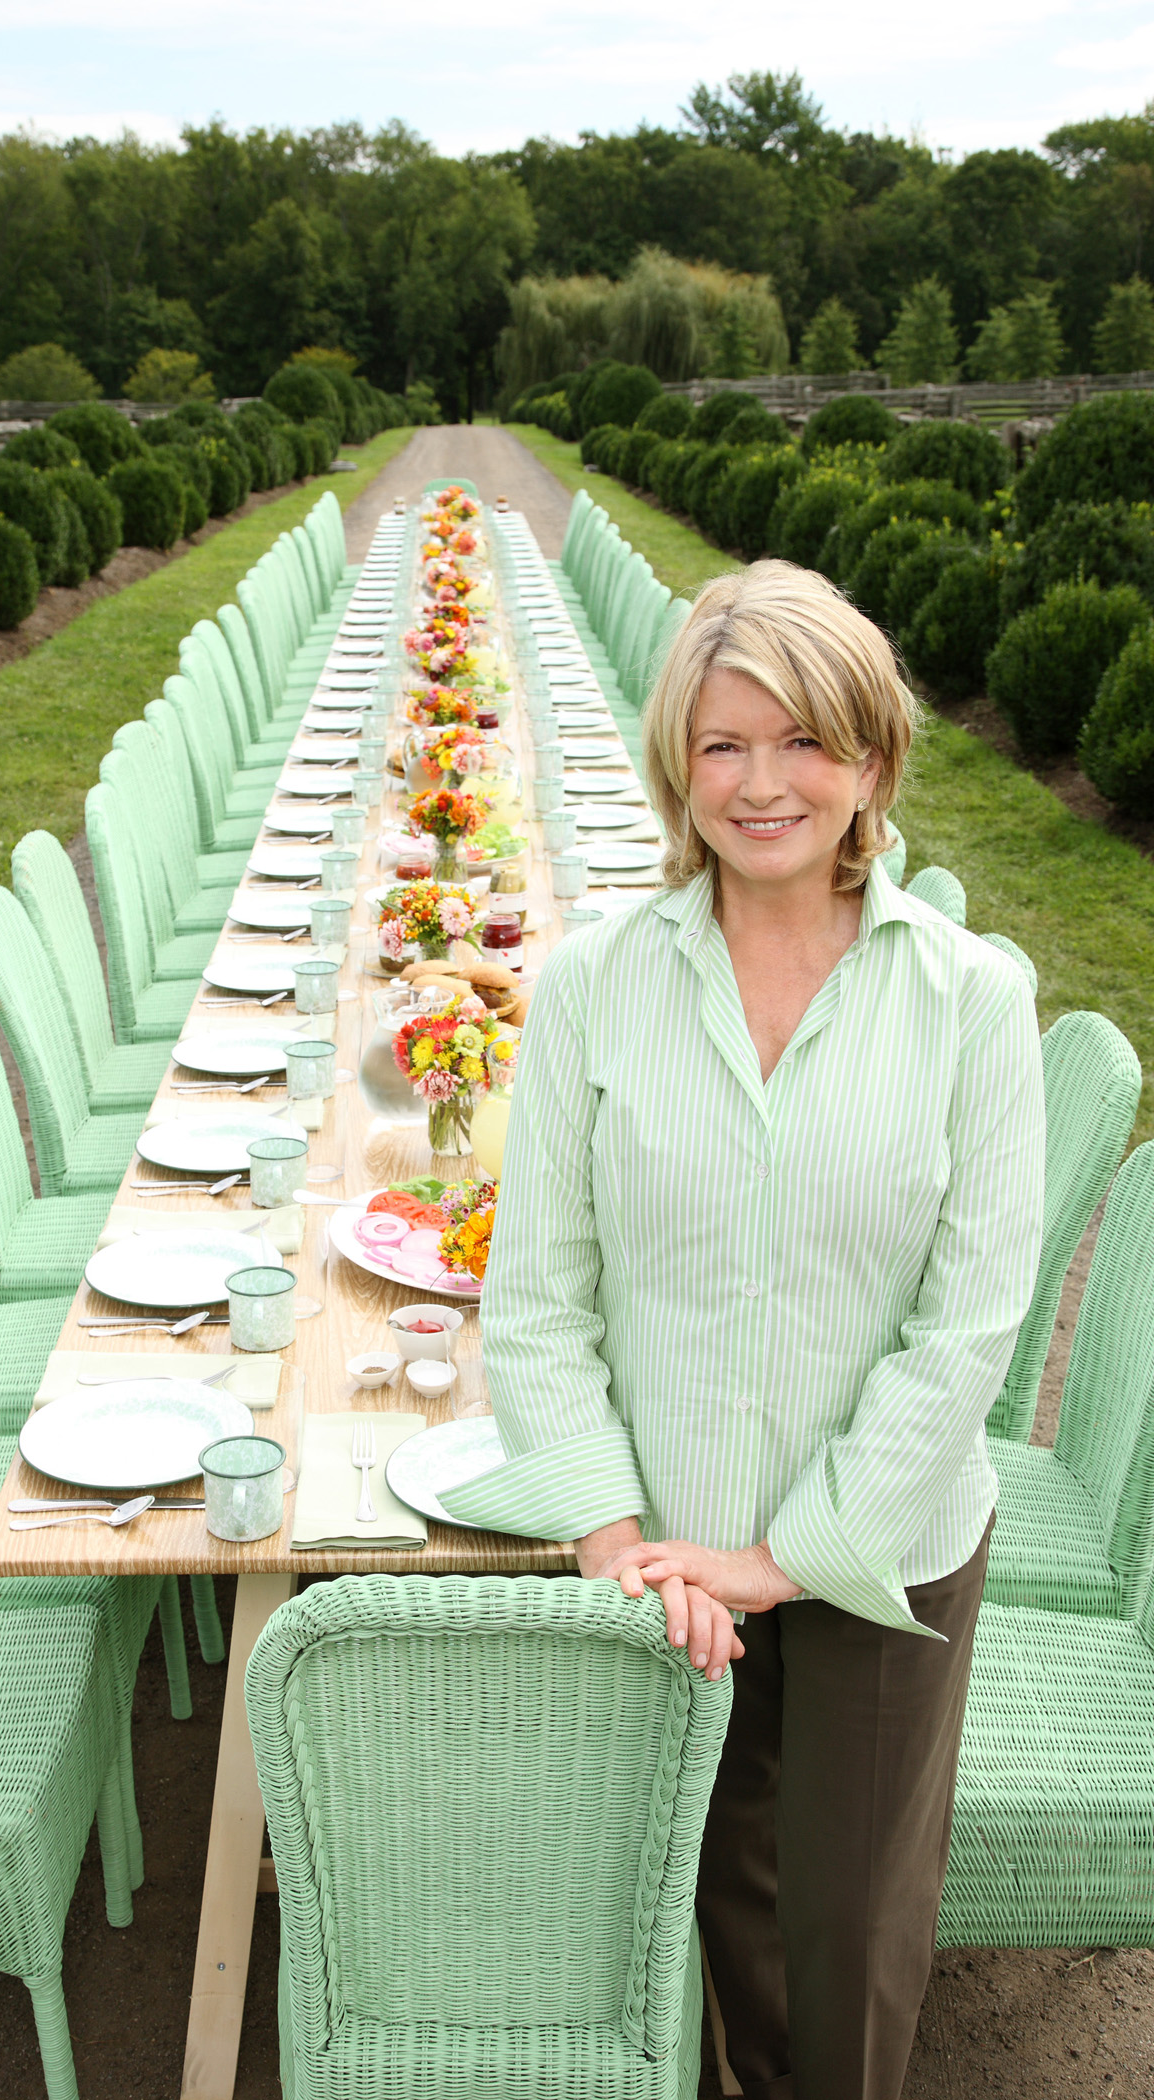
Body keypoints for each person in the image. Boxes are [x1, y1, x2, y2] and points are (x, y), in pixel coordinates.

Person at [442, 560, 1044, 2100]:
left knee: (845, 1951)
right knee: (687, 1931)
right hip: (666, 1564)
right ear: (675, 766)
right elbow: (538, 1306)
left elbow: (971, 1322)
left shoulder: (973, 1001)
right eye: (723, 745)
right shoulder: (589, 990)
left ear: (873, 762)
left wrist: (792, 1556)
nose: (762, 784)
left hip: (884, 1554)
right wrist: (615, 1543)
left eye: (805, 743)